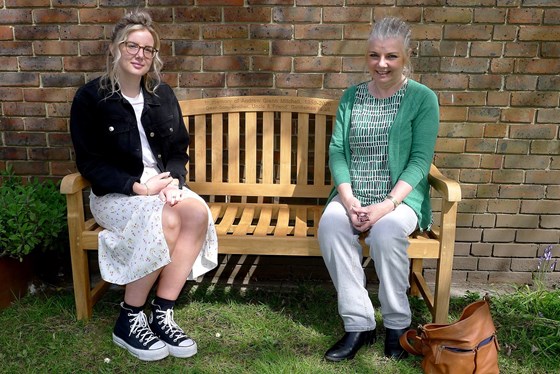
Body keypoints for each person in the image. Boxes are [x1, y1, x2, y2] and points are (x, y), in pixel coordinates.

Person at [69, 11, 218, 362]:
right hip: (118, 195)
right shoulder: (90, 98)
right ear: (114, 49)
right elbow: (89, 163)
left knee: (196, 213)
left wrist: (173, 182)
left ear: (154, 57)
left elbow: (178, 151)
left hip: (162, 191)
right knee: (165, 219)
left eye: (147, 49)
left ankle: (162, 312)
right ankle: (130, 316)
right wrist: (137, 187)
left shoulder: (162, 95)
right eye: (132, 45)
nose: (139, 54)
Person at [318, 17, 440, 362]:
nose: (381, 64)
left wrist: (384, 206)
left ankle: (399, 325)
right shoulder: (351, 96)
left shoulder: (422, 99)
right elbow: (338, 151)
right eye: (374, 55)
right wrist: (349, 199)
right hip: (353, 195)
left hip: (399, 199)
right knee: (330, 226)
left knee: (386, 232)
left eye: (391, 56)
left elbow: (419, 161)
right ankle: (359, 323)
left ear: (406, 57)